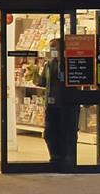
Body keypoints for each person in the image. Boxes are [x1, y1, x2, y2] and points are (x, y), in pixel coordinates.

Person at [32, 38, 75, 167]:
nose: (52, 50)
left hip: (66, 104)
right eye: (51, 48)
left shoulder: (70, 63)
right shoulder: (49, 65)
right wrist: (34, 73)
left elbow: (77, 81)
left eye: (54, 48)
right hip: (51, 104)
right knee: (50, 133)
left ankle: (66, 158)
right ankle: (54, 156)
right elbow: (42, 82)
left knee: (66, 132)